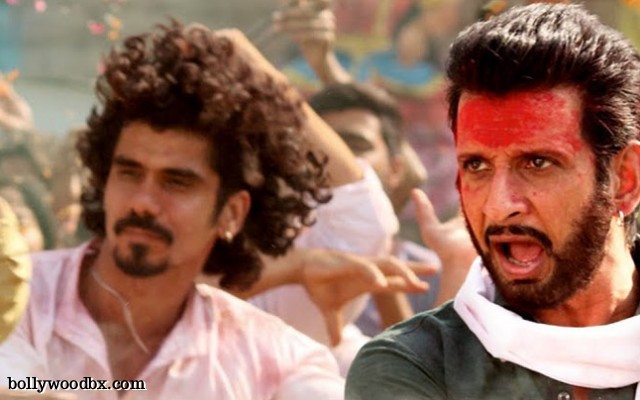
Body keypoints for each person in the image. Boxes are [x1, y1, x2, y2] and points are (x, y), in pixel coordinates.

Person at [0, 20, 382, 399]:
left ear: (232, 212)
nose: (143, 202)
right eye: (129, 173)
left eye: (176, 183)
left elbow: (362, 219)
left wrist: (250, 64)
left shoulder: (273, 362)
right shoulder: (16, 295)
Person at [346, 3, 640, 399]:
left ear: (625, 179)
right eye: (477, 166)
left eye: (537, 163)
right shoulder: (413, 365)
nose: (499, 206)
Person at [308, 82, 474, 335]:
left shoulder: (433, 276)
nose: (339, 163)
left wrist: (456, 268)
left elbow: (437, 360)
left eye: (355, 146)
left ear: (396, 169)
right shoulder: (276, 272)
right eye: (326, 148)